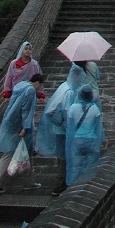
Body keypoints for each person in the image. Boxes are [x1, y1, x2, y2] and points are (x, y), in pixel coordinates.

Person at [35, 63, 85, 196]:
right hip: (62, 131)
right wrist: (63, 123)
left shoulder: (64, 86)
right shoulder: (69, 92)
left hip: (61, 130)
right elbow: (61, 112)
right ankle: (60, 184)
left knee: (62, 156)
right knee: (64, 157)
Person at [0, 74, 44, 194]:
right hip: (20, 127)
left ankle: (29, 182)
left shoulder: (21, 85)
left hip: (10, 122)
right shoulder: (30, 90)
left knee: (27, 153)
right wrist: (25, 127)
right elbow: (26, 110)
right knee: (9, 153)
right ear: (37, 83)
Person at [65, 84, 104, 186]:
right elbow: (97, 127)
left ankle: (72, 189)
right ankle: (86, 187)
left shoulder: (73, 108)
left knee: (75, 167)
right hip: (91, 140)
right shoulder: (95, 109)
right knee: (90, 169)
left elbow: (69, 124)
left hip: (77, 140)